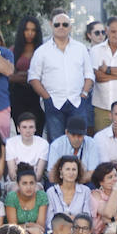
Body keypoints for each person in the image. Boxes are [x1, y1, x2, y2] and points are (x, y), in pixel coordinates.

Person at [27, 10, 93, 143]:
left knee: (79, 141)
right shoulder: (42, 51)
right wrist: (47, 98)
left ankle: (78, 165)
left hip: (77, 102)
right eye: (57, 24)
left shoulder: (80, 48)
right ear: (51, 25)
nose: (61, 27)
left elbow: (89, 75)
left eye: (65, 24)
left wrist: (84, 95)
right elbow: (33, 78)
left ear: (70, 27)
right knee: (56, 142)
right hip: (53, 103)